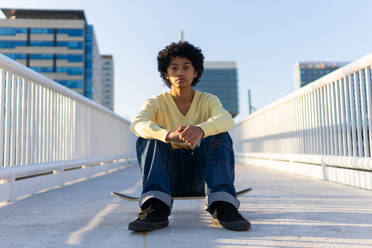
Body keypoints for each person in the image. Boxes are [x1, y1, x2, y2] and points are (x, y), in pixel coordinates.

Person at [128, 41, 250, 232]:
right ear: (166, 74)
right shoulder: (156, 102)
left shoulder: (208, 100)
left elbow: (225, 119)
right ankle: (155, 206)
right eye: (174, 68)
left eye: (186, 67)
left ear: (195, 72)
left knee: (219, 133)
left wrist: (200, 130)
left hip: (203, 178)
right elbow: (137, 123)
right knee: (150, 136)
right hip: (166, 177)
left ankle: (223, 204)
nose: (180, 73)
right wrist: (167, 135)